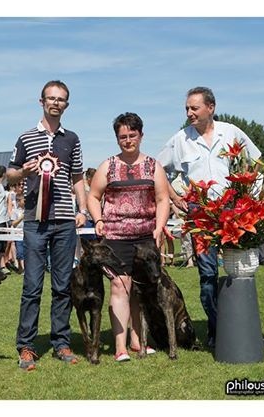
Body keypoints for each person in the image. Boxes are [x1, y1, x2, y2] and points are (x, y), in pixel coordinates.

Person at [156, 86, 263, 349]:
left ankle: (247, 329)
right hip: (201, 215)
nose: (189, 113)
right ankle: (218, 331)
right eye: (187, 109)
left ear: (210, 107)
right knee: (207, 275)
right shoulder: (180, 139)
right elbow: (157, 169)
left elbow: (256, 162)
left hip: (234, 212)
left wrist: (250, 194)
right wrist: (174, 197)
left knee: (240, 273)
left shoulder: (232, 132)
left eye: (194, 108)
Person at [7, 80, 87, 370]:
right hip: (34, 221)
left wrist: (83, 210)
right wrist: (23, 172)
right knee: (32, 286)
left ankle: (61, 343)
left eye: (61, 99)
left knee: (63, 286)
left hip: (65, 220)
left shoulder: (72, 139)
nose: (56, 103)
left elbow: (77, 177)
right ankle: (26, 346)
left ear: (66, 105)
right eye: (51, 98)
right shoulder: (26, 138)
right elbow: (10, 175)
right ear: (41, 102)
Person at [87, 112, 169, 362]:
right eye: (123, 137)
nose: (128, 140)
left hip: (146, 236)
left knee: (140, 289)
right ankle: (120, 346)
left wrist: (159, 227)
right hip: (115, 237)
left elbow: (162, 199)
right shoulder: (107, 166)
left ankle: (138, 340)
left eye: (132, 135)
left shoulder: (153, 166)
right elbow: (93, 196)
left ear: (141, 135)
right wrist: (98, 219)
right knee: (120, 286)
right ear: (117, 139)